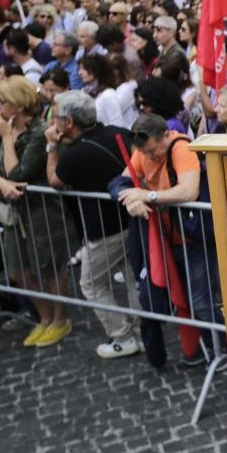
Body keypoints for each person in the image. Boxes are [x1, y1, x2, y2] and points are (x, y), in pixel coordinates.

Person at [116, 113, 224, 368]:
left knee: (201, 300)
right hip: (173, 238)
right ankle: (207, 349)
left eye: (155, 150)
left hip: (196, 239)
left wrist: (146, 195)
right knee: (187, 300)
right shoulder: (144, 151)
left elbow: (189, 190)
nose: (152, 157)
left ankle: (223, 350)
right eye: (147, 153)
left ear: (166, 134)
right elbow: (121, 181)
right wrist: (129, 198)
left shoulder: (181, 148)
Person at [44, 91, 142, 358]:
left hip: (102, 230)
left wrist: (51, 146)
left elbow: (55, 180)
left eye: (57, 118)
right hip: (131, 218)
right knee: (132, 277)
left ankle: (123, 336)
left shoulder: (75, 154)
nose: (53, 123)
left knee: (90, 283)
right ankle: (143, 332)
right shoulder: (118, 133)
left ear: (70, 122)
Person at [0, 76, 75, 348]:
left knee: (49, 267)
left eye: (4, 101)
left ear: (19, 105)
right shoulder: (4, 129)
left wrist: (8, 140)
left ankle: (60, 319)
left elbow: (17, 172)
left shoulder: (37, 132)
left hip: (41, 211)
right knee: (18, 271)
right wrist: (1, 184)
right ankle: (44, 318)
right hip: (13, 211)